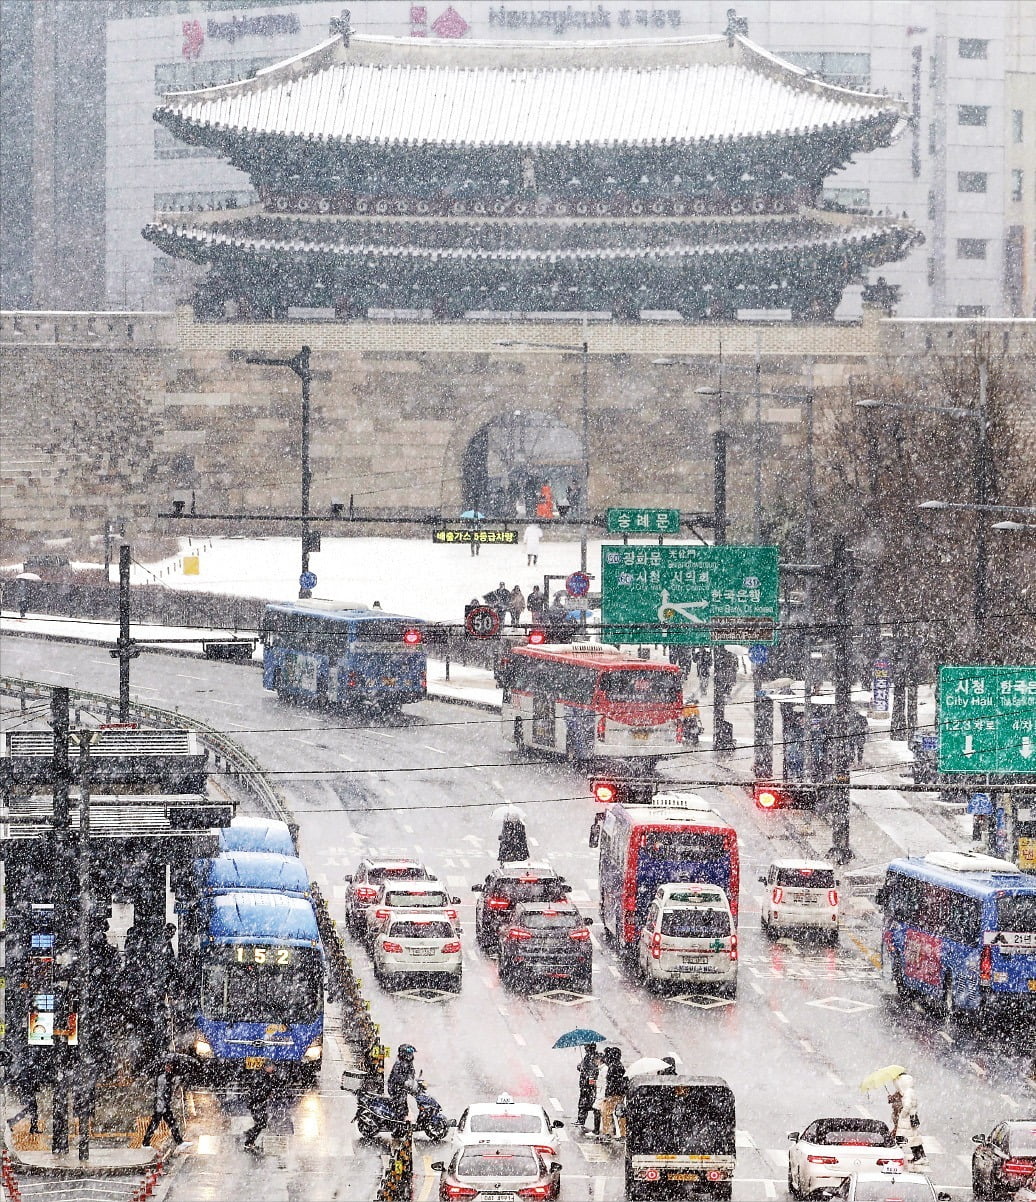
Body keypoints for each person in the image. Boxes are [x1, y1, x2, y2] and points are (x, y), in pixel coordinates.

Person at [142, 1059, 188, 1148]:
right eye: (168, 1066)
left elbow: (173, 1083)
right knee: (155, 1124)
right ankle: (145, 1143)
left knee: (171, 1123)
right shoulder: (162, 1077)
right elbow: (160, 1092)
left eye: (170, 1066)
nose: (169, 1068)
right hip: (161, 1105)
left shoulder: (167, 1076)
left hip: (164, 1105)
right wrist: (161, 1106)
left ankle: (179, 1142)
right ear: (165, 1067)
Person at [890, 1072, 926, 1166]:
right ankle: (920, 1156)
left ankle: (917, 1156)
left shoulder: (907, 1093)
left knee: (907, 1138)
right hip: (912, 1117)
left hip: (907, 1119)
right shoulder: (910, 1091)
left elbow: (907, 1105)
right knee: (914, 1137)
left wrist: (902, 1114)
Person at [243, 1062, 278, 1150]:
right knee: (261, 1123)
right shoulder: (262, 1076)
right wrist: (266, 1095)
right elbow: (258, 1090)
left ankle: (250, 1140)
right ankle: (249, 1140)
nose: (273, 1068)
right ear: (267, 1067)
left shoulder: (265, 1075)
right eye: (272, 1067)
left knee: (262, 1123)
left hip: (258, 1103)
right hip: (256, 1103)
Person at [7, 1060, 43, 1135]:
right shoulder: (30, 1072)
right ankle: (12, 1121)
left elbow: (22, 1082)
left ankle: (32, 1127)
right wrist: (33, 1088)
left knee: (31, 1110)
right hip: (28, 1094)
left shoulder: (26, 1071)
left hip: (27, 1094)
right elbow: (31, 1084)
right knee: (32, 1110)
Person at [600, 1047, 627, 1141]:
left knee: (606, 1113)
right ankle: (623, 1134)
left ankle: (607, 1133)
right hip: (620, 1094)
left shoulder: (613, 1067)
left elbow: (611, 1083)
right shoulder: (620, 1066)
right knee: (620, 1114)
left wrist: (607, 1095)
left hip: (612, 1094)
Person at [387, 1044, 418, 1121]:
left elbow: (411, 1074)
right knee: (400, 1104)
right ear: (404, 1053)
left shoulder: (409, 1063)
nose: (411, 1055)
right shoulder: (399, 1063)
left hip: (403, 1088)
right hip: (395, 1087)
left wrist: (414, 1081)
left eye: (412, 1053)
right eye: (409, 1053)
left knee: (405, 1104)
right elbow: (396, 1075)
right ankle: (396, 1121)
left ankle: (401, 1120)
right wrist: (405, 1081)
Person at [576, 1045, 601, 1135]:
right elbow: (579, 1066)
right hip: (586, 1085)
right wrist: (580, 1067)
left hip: (589, 1085)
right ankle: (581, 1120)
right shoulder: (588, 1057)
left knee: (588, 1104)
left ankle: (583, 1121)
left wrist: (585, 1072)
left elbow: (594, 1070)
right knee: (586, 1103)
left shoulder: (593, 1057)